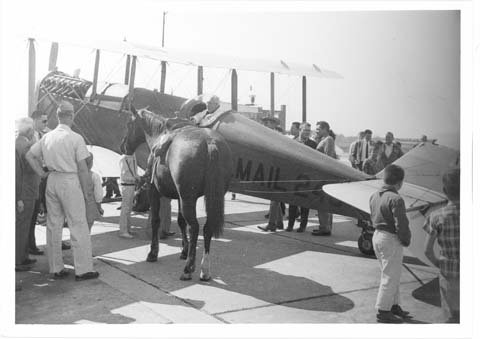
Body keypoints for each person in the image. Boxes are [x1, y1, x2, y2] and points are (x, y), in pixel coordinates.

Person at [26, 101, 99, 281]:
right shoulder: (75, 138)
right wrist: (88, 195)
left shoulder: (47, 137)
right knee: (78, 225)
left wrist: (42, 173)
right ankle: (83, 270)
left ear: (58, 117)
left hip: (52, 179)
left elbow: (30, 155)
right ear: (71, 115)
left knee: (53, 225)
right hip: (70, 180)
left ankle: (56, 268)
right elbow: (83, 169)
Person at [369, 164, 412, 323]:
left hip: (377, 236)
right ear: (399, 183)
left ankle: (394, 305)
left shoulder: (374, 195)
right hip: (390, 239)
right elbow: (402, 224)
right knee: (390, 276)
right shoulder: (396, 199)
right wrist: (406, 240)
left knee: (391, 274)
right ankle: (383, 311)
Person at [423, 168, 460, 323]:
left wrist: (440, 263)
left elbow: (427, 251)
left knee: (451, 318)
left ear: (444, 190)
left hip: (448, 275)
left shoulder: (436, 216)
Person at [15, 117, 40, 271]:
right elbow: (29, 169)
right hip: (26, 192)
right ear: (30, 131)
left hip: (24, 192)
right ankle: (19, 259)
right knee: (22, 227)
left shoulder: (18, 143)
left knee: (23, 226)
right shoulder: (25, 146)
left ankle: (23, 256)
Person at [286, 122, 317, 232]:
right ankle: (290, 225)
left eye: (309, 131)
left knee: (305, 203)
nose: (307, 133)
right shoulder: (293, 142)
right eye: (305, 130)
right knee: (292, 201)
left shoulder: (313, 144)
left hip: (307, 177)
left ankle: (302, 226)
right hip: (294, 175)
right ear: (300, 130)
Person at [28, 110, 50, 256]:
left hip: (40, 179)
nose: (46, 124)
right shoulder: (30, 137)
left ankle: (31, 244)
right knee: (31, 216)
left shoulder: (41, 135)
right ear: (34, 121)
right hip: (34, 180)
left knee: (37, 212)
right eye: (43, 121)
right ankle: (29, 246)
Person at [313, 121, 336, 236]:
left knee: (322, 202)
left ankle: (325, 227)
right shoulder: (324, 139)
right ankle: (325, 226)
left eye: (318, 129)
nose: (316, 131)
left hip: (324, 176)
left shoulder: (328, 140)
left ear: (325, 129)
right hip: (322, 175)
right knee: (323, 203)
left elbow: (328, 158)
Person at [118, 142, 140, 238]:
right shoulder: (124, 159)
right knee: (125, 208)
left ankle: (128, 228)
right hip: (127, 185)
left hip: (131, 185)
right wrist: (136, 178)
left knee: (129, 208)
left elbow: (134, 171)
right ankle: (123, 231)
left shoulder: (132, 157)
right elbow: (124, 175)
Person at [85, 153, 104, 231]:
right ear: (91, 163)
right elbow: (98, 194)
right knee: (87, 229)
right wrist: (99, 207)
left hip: (75, 208)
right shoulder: (94, 176)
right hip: (90, 207)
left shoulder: (73, 175)